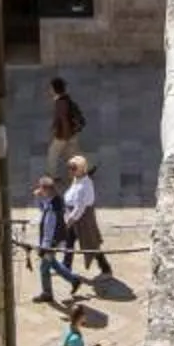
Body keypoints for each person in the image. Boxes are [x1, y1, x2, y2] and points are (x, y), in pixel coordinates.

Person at [61, 153, 112, 282]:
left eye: (73, 168)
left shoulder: (84, 185)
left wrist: (69, 221)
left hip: (83, 220)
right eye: (69, 168)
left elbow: (80, 208)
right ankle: (66, 267)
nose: (70, 171)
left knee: (91, 244)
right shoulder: (77, 179)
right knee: (69, 242)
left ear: (80, 169)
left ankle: (106, 269)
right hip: (74, 217)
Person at [29, 174, 77, 303]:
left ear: (46, 190)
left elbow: (49, 231)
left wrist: (45, 247)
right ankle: (74, 279)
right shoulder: (54, 199)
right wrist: (37, 198)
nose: (39, 190)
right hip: (56, 240)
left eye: (41, 189)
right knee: (53, 264)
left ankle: (47, 293)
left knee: (44, 268)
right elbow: (41, 208)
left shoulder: (52, 210)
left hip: (51, 242)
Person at [44, 75, 86, 176]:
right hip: (71, 131)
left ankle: (51, 173)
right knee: (73, 152)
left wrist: (65, 135)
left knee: (53, 153)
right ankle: (85, 169)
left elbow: (63, 120)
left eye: (51, 88)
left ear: (54, 89)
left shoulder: (60, 103)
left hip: (63, 134)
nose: (49, 90)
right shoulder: (66, 99)